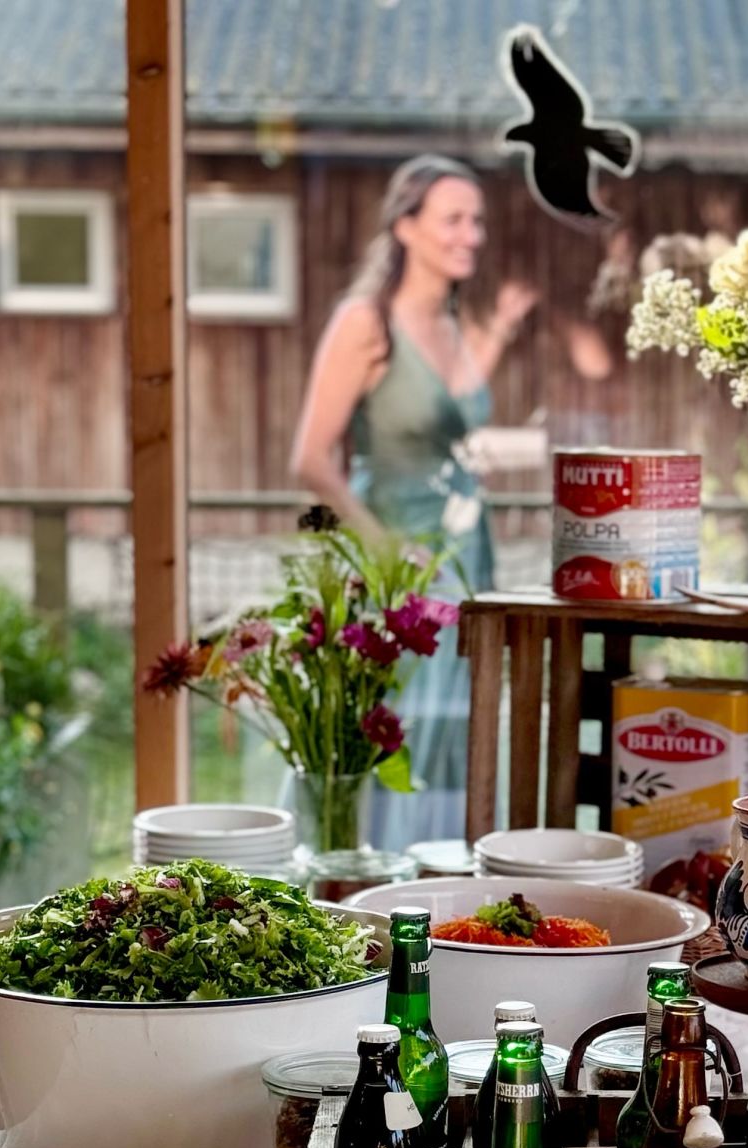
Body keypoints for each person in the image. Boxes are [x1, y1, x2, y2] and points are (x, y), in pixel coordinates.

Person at [290, 155, 538, 848]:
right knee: (393, 733)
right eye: (453, 219)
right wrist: (383, 549)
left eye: (477, 221)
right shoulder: (364, 322)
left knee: (458, 732)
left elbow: (445, 429)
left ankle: (443, 881)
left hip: (465, 557)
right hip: (397, 566)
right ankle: (373, 873)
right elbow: (309, 458)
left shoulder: (451, 324)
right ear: (405, 226)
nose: (472, 235)